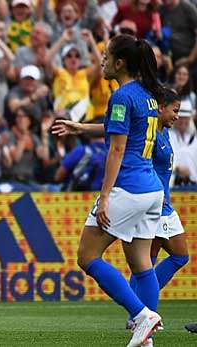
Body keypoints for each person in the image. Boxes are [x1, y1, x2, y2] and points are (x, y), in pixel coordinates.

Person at [52, 34, 166, 347]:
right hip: (152, 191)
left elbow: (116, 150)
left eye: (106, 57)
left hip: (127, 188)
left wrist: (104, 197)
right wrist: (81, 128)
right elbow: (122, 128)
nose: (101, 62)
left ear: (119, 63)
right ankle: (147, 336)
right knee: (142, 264)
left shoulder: (120, 96)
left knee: (87, 256)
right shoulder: (147, 94)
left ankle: (142, 316)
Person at [126, 87, 188, 328]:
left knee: (178, 256)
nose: (176, 116)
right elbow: (141, 163)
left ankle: (139, 312)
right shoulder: (149, 134)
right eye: (174, 110)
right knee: (146, 262)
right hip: (154, 204)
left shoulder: (164, 132)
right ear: (160, 108)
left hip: (165, 204)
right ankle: (140, 315)